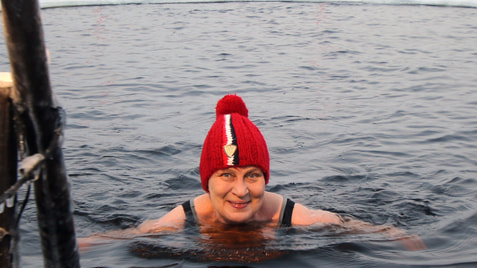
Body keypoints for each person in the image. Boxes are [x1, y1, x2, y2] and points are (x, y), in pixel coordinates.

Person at [78, 94, 424, 250]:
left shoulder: (289, 216)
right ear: (207, 181)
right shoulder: (188, 216)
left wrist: (391, 233)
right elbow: (135, 234)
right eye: (227, 175)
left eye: (252, 175)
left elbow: (341, 223)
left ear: (265, 179)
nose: (241, 191)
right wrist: (88, 243)